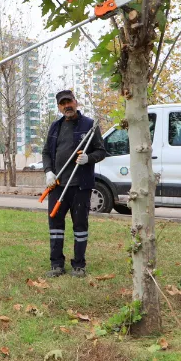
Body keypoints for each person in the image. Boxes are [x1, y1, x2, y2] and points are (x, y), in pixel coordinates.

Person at [41, 90, 106, 278]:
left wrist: (89, 158)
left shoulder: (90, 125)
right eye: (63, 104)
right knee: (55, 226)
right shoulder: (55, 127)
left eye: (69, 102)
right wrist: (48, 172)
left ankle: (79, 265)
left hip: (80, 185)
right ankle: (56, 264)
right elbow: (46, 152)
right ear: (59, 107)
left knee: (80, 225)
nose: (67, 106)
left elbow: (101, 151)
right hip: (57, 185)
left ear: (76, 102)